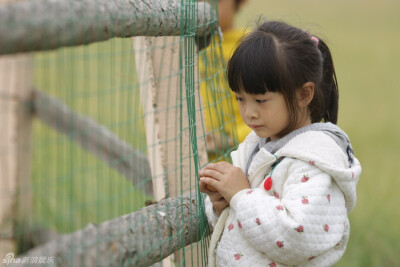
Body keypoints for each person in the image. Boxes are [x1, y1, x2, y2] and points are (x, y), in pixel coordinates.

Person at [199, 20, 362, 267]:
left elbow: (298, 235)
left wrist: (241, 196)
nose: (248, 112)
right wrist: (221, 203)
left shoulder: (315, 163)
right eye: (240, 98)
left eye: (261, 100)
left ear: (303, 95)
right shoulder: (256, 144)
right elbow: (239, 221)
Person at [199, 0, 251, 159]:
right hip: (186, 167)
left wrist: (231, 139)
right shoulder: (178, 48)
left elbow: (274, 109)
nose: (205, 6)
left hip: (238, 162)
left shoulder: (252, 48)